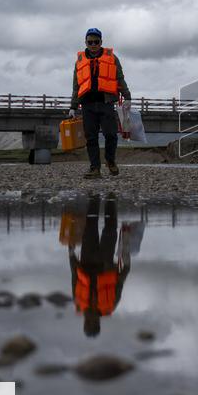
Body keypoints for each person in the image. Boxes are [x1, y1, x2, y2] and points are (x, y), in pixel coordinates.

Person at [69, 27, 132, 179]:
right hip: (87, 105)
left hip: (106, 102)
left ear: (101, 42)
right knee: (91, 138)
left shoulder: (112, 57)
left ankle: (110, 161)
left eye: (96, 41)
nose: (93, 44)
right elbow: (76, 85)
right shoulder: (80, 60)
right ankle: (94, 168)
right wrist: (73, 106)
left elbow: (120, 78)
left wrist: (127, 96)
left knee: (111, 134)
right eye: (90, 42)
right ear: (86, 42)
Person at [68, 194, 131, 337]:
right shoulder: (110, 306)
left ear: (84, 323)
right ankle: (110, 198)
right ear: (99, 323)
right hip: (106, 262)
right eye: (94, 324)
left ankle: (94, 196)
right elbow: (120, 281)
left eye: (88, 324)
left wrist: (71, 253)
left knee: (90, 226)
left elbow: (74, 276)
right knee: (110, 228)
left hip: (87, 259)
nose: (91, 321)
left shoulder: (78, 303)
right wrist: (127, 263)